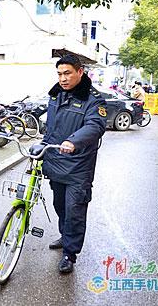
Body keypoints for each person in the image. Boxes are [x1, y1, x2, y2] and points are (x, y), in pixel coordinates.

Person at [42, 54, 107, 274]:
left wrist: (73, 141)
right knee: (60, 206)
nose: (63, 78)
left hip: (78, 167)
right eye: (59, 74)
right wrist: (41, 144)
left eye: (67, 73)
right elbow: (52, 129)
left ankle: (70, 253)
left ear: (80, 72)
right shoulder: (55, 95)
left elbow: (95, 125)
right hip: (56, 164)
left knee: (75, 210)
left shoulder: (93, 99)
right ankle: (65, 236)